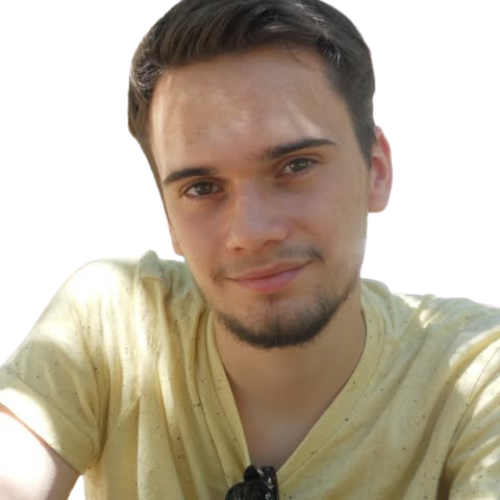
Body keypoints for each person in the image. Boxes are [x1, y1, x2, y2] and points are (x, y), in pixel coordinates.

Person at [0, 0, 499, 498]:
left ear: (377, 171)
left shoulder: (476, 378)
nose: (252, 231)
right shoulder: (114, 325)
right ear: (169, 218)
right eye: (201, 187)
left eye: (296, 166)